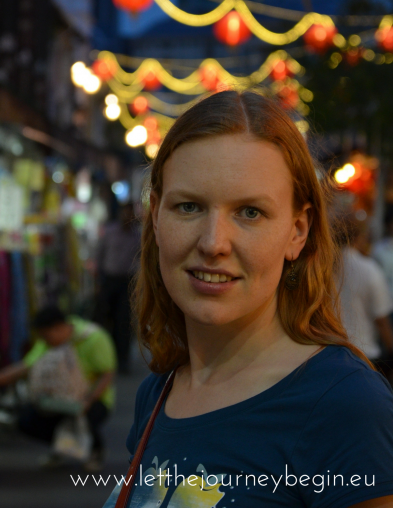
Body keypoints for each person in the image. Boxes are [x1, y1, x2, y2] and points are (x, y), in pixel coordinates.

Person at [100, 91, 393, 508]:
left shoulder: (345, 407)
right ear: (157, 217)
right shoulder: (158, 393)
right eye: (188, 206)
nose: (214, 242)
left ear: (298, 231)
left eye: (250, 212)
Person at [0, 306, 116, 471]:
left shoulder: (94, 337)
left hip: (94, 399)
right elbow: (25, 367)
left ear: (59, 327)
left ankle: (94, 450)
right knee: (26, 420)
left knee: (82, 416)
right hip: (58, 399)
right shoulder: (49, 342)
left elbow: (107, 374)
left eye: (46, 336)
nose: (45, 341)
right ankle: (64, 446)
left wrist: (88, 399)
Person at [334, 211, 393, 363]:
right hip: (363, 353)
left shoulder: (322, 268)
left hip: (329, 351)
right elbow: (382, 320)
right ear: (360, 237)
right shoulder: (369, 269)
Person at [94, 202, 141, 373]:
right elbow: (99, 255)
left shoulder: (137, 236)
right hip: (109, 280)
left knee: (124, 321)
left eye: (130, 214)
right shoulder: (110, 232)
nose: (126, 217)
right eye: (124, 213)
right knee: (105, 318)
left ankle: (123, 360)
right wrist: (98, 282)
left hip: (126, 282)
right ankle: (106, 357)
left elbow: (142, 259)